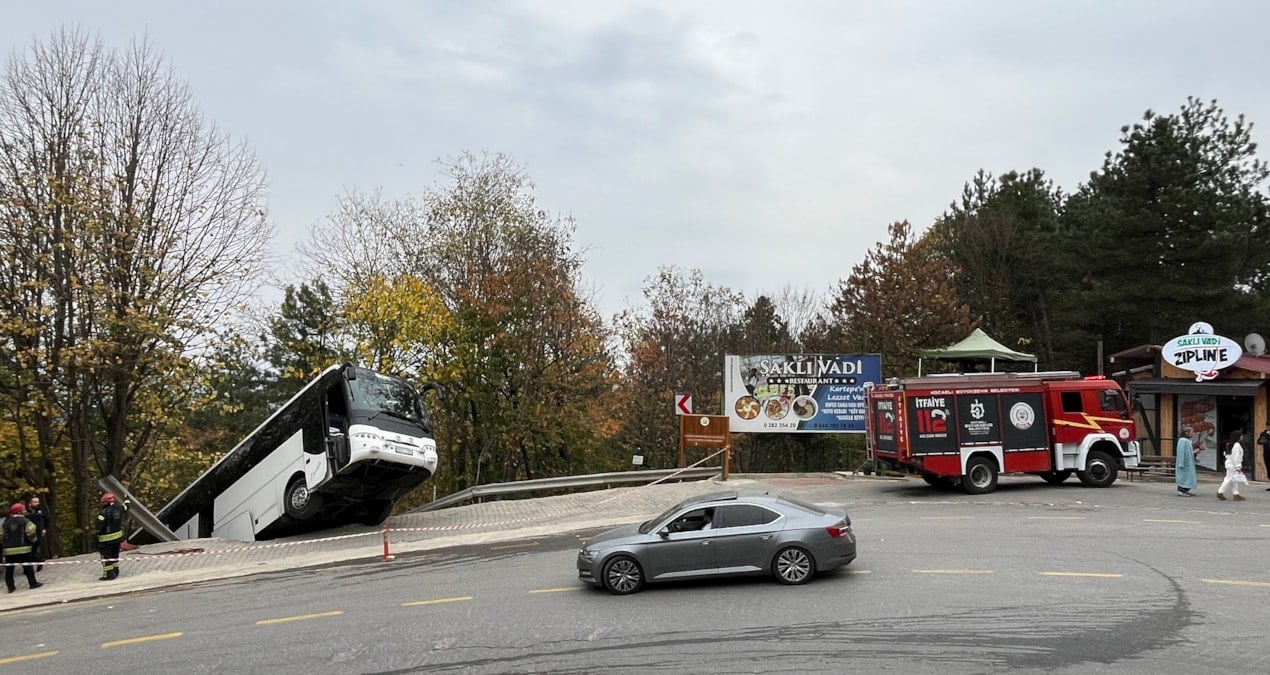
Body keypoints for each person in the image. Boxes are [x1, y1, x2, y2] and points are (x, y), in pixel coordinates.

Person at [3, 502, 43, 592]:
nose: (25, 511)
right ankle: (33, 583)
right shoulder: (25, 521)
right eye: (24, 509)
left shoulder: (6, 522)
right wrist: (33, 541)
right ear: (20, 511)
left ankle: (10, 587)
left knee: (9, 569)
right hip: (23, 549)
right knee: (28, 567)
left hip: (8, 550)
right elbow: (31, 530)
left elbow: (1, 534)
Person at [96, 491, 129, 581]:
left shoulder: (103, 513)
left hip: (106, 540)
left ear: (106, 502)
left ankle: (109, 575)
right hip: (117, 538)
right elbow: (126, 507)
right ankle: (116, 571)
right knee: (115, 555)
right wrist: (127, 498)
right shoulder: (119, 507)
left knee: (106, 558)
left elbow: (98, 526)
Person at [1217, 430, 1246, 502]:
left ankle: (1235, 494)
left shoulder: (1230, 444)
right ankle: (1220, 491)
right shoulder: (1237, 445)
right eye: (1241, 435)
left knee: (1234, 479)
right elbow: (1236, 456)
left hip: (1229, 464)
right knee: (1229, 479)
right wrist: (1238, 466)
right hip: (1233, 465)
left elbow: (1226, 454)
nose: (1242, 437)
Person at [25, 495, 49, 571]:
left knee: (35, 549)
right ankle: (38, 561)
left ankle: (38, 561)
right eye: (35, 502)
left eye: (38, 501)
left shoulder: (41, 511)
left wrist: (44, 528)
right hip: (28, 533)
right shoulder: (25, 512)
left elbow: (47, 519)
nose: (37, 503)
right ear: (30, 503)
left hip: (39, 532)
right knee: (29, 551)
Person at [1175, 427, 1198, 496]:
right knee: (1184, 477)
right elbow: (1181, 452)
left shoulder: (1186, 441)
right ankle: (1181, 490)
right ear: (1186, 433)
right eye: (1191, 432)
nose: (1193, 434)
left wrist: (1194, 452)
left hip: (1187, 463)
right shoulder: (1183, 441)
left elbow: (1188, 452)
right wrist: (1181, 463)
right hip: (1184, 463)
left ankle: (1185, 490)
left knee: (1188, 477)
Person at [1259, 425, 1270, 491]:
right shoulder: (1263, 433)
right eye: (1267, 427)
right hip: (1266, 454)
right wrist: (1263, 440)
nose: (1268, 428)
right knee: (1269, 469)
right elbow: (1259, 441)